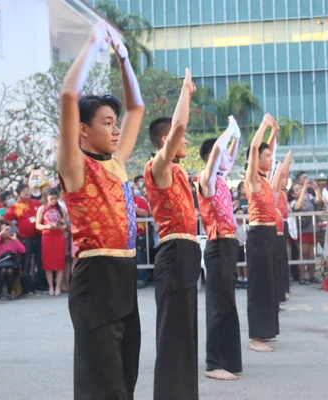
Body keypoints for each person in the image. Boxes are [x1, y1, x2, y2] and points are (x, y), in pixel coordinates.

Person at [58, 20, 144, 400]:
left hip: (124, 275)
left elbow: (137, 108)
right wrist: (93, 45)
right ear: (82, 130)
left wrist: (124, 59)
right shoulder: (76, 166)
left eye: (115, 123)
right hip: (95, 278)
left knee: (126, 373)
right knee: (103, 382)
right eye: (106, 123)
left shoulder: (117, 162)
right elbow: (67, 97)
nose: (114, 130)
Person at [144, 68, 201, 399]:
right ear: (166, 141)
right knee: (173, 336)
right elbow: (180, 126)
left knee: (185, 334)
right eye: (181, 137)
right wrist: (184, 92)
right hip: (174, 253)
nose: (187, 140)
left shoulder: (179, 171)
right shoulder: (158, 166)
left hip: (186, 253)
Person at [196, 116, 242, 381]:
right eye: (222, 153)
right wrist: (228, 131)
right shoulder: (207, 180)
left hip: (228, 246)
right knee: (217, 306)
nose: (227, 157)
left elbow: (229, 155)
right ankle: (213, 363)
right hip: (217, 246)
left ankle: (227, 359)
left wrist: (235, 137)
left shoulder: (222, 179)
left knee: (227, 305)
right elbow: (216, 153)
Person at [244, 113, 280, 353]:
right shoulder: (253, 180)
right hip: (257, 235)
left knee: (269, 284)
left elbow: (268, 149)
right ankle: (255, 337)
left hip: (269, 235)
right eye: (265, 156)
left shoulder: (266, 180)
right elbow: (256, 147)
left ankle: (266, 332)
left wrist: (274, 134)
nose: (269, 158)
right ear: (256, 160)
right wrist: (264, 126)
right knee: (258, 286)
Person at [4, 184, 43, 293]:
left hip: (38, 236)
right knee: (26, 263)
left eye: (28, 190)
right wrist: (14, 228)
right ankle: (27, 287)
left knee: (40, 262)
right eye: (24, 191)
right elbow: (6, 218)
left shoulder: (36, 203)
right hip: (25, 239)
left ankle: (40, 285)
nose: (27, 192)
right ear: (19, 194)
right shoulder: (15, 206)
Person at [36, 189, 68, 296]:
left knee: (60, 262)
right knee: (48, 263)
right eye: (51, 199)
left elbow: (65, 226)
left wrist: (60, 226)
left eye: (55, 198)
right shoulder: (42, 208)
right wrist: (47, 226)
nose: (53, 201)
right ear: (47, 198)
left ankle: (58, 286)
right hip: (47, 237)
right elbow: (37, 225)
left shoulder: (62, 209)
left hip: (58, 237)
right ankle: (51, 286)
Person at [289, 180, 320, 284]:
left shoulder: (309, 198)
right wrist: (303, 190)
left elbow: (318, 201)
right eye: (297, 190)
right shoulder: (293, 202)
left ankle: (312, 276)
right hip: (302, 230)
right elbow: (298, 206)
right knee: (303, 254)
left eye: (300, 188)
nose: (300, 190)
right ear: (293, 194)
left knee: (312, 254)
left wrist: (316, 189)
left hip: (312, 229)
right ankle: (302, 277)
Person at [271, 153, 292, 303]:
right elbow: (281, 176)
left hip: (282, 226)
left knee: (283, 260)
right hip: (274, 229)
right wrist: (283, 166)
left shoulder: (283, 193)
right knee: (278, 261)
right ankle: (279, 291)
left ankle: (284, 288)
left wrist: (287, 164)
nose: (284, 181)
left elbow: (284, 176)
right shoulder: (274, 191)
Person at [0, 224, 26, 300]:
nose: (7, 232)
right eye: (5, 230)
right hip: (1, 265)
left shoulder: (14, 242)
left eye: (8, 230)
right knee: (3, 271)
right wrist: (1, 233)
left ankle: (9, 293)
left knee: (9, 271)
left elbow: (23, 250)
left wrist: (15, 239)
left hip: (13, 265)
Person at [133, 186, 150, 289]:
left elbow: (145, 213)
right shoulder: (119, 201)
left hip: (140, 234)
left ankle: (141, 279)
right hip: (126, 235)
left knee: (140, 257)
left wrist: (132, 208)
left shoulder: (140, 200)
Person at [234, 208, 248, 288]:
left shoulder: (246, 226)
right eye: (239, 214)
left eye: (243, 214)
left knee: (245, 263)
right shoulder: (234, 226)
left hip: (245, 246)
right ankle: (239, 278)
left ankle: (246, 278)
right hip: (237, 246)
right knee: (238, 263)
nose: (241, 216)